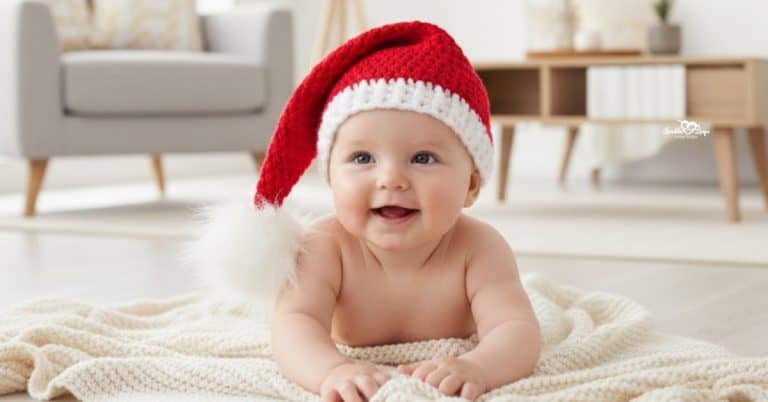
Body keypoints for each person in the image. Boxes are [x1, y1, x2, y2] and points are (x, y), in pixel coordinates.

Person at [195, 21, 540, 402]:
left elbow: (516, 329)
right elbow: (295, 325)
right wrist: (332, 369)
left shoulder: (479, 249)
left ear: (471, 185)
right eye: (363, 158)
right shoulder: (325, 248)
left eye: (422, 158)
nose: (391, 178)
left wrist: (479, 366)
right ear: (329, 177)